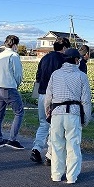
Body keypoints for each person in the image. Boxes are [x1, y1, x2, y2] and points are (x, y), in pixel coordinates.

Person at [44, 48, 92, 184]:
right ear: (76, 60)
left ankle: (56, 175)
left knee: (57, 145)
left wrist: (48, 111)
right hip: (74, 113)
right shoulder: (82, 76)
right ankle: (72, 176)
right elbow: (86, 100)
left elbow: (48, 97)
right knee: (73, 146)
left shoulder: (55, 74)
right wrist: (86, 118)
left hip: (57, 113)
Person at [30, 37, 71, 165]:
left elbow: (38, 77)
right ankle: (50, 155)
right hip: (56, 98)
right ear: (64, 47)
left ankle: (36, 149)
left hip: (42, 94)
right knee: (56, 127)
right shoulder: (64, 60)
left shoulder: (44, 58)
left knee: (43, 124)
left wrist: (36, 95)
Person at [0, 35, 25, 149]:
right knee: (19, 112)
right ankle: (12, 139)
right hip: (10, 87)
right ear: (15, 45)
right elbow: (18, 74)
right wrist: (17, 84)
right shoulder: (14, 55)